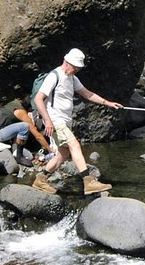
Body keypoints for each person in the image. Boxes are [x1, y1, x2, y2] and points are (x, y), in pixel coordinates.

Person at [32, 48, 123, 195]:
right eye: (74, 67)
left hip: (64, 121)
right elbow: (38, 99)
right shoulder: (54, 76)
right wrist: (47, 121)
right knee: (74, 144)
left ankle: (41, 179)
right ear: (66, 62)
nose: (76, 70)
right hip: (55, 120)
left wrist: (108, 103)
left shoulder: (72, 78)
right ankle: (88, 181)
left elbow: (88, 94)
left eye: (78, 68)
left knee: (63, 154)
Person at [0, 96, 52, 167]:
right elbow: (37, 135)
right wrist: (50, 149)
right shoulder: (20, 112)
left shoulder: (16, 103)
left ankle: (15, 151)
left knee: (22, 127)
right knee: (24, 126)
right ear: (30, 108)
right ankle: (19, 156)